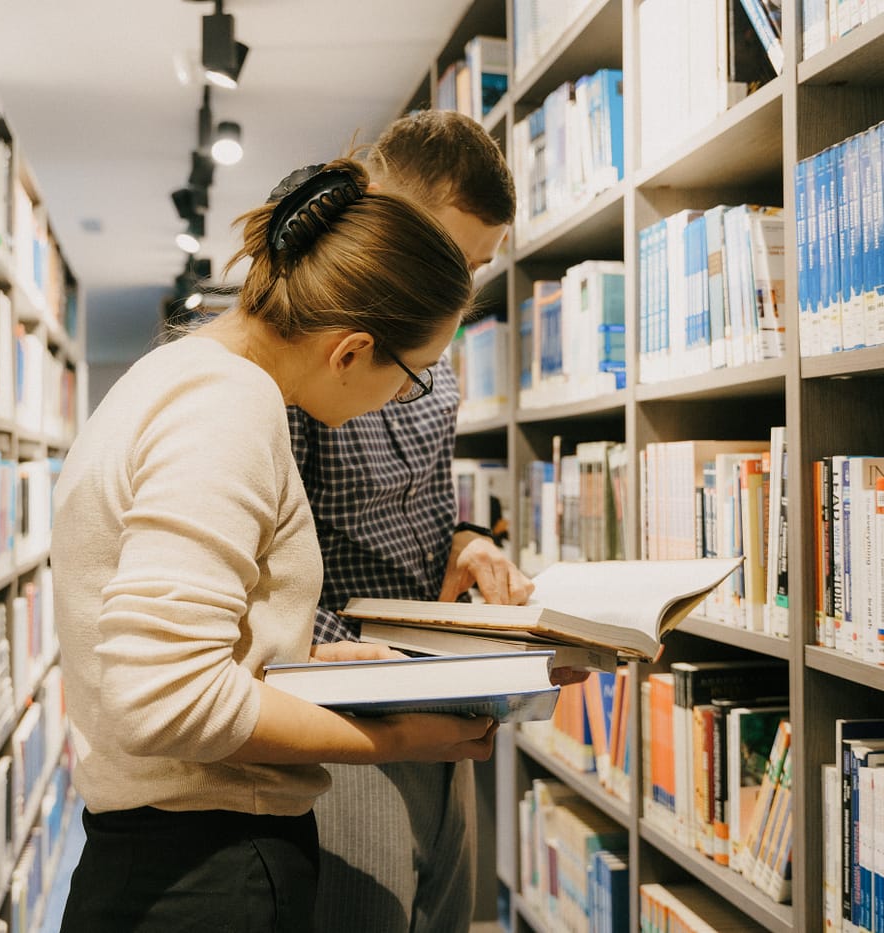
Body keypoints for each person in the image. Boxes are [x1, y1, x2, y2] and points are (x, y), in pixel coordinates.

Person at [51, 157, 498, 933]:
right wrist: (390, 737)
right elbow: (160, 697)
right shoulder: (227, 405)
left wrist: (297, 657)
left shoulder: (179, 374)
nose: (405, 398)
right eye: (414, 374)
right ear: (350, 351)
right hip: (206, 874)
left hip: (173, 860)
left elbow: (177, 646)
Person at [291, 110, 539, 933]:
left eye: (475, 268)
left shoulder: (441, 358)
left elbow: (432, 506)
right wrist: (377, 672)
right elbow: (270, 569)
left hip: (439, 696)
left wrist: (469, 541)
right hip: (343, 716)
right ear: (382, 207)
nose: (457, 291)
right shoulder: (307, 358)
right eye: (448, 255)